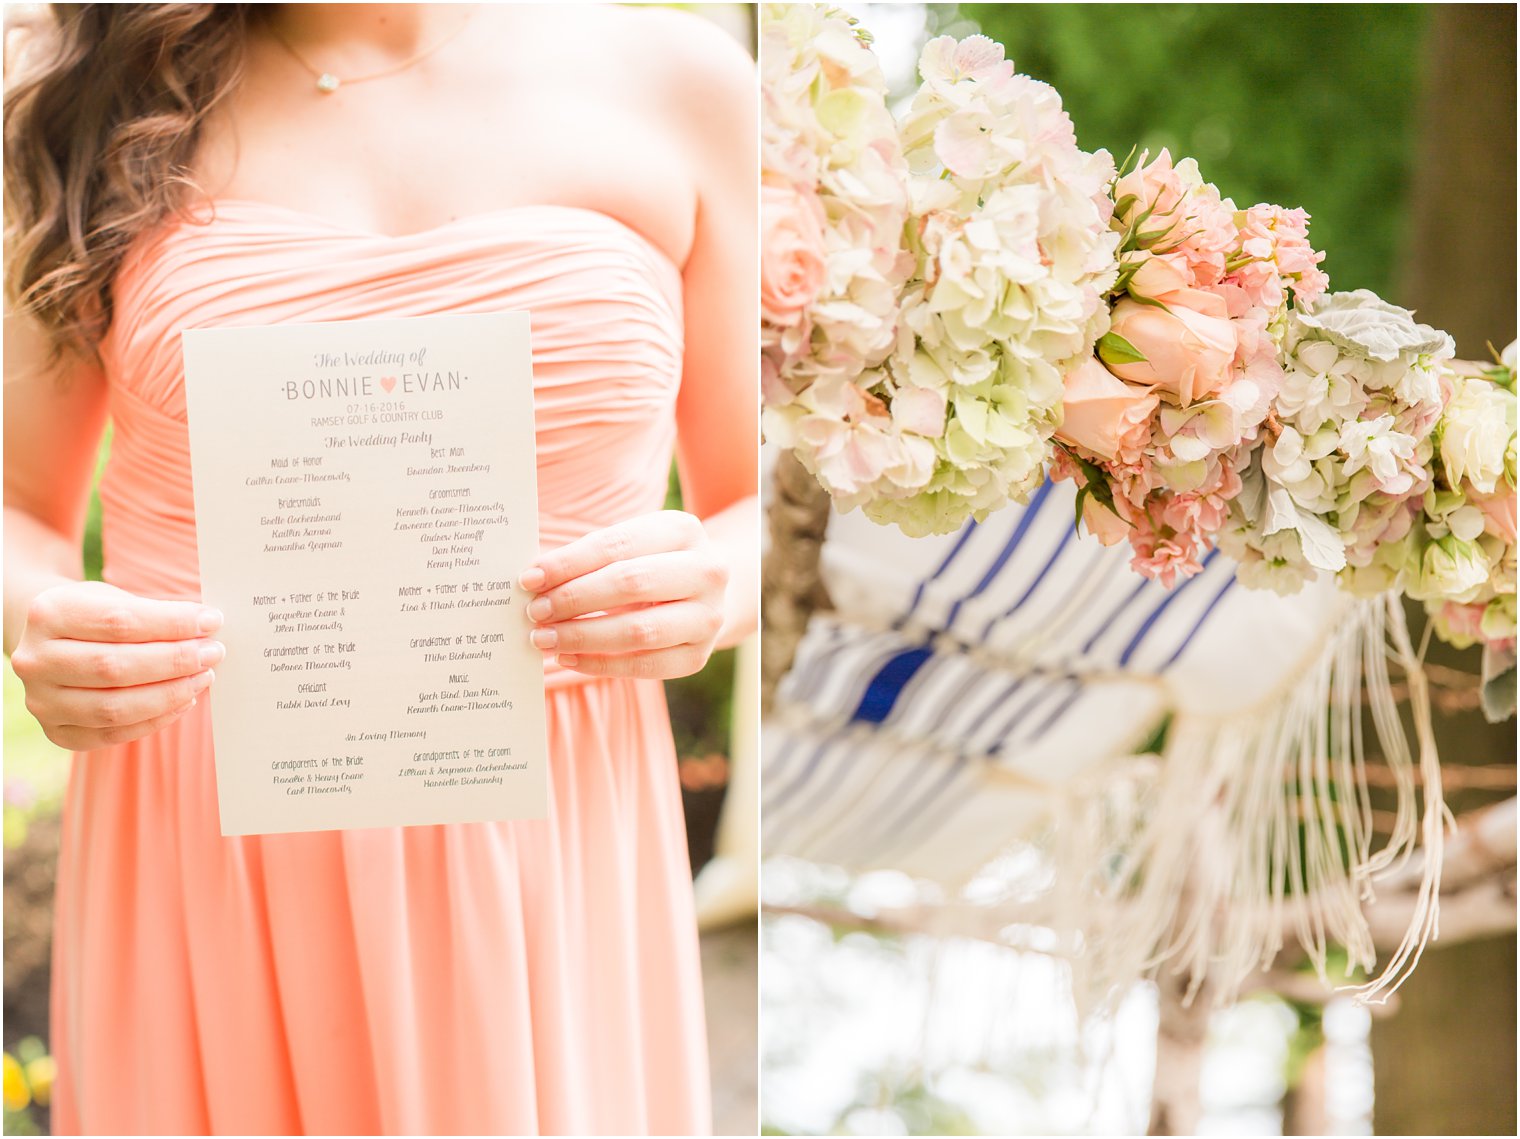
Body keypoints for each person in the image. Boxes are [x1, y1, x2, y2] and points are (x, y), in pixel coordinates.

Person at [3, 3, 758, 1133]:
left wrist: (716, 581)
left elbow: (755, 501)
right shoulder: (74, 85)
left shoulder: (687, 79)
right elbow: (17, 505)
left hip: (550, 832)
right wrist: (39, 616)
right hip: (205, 834)